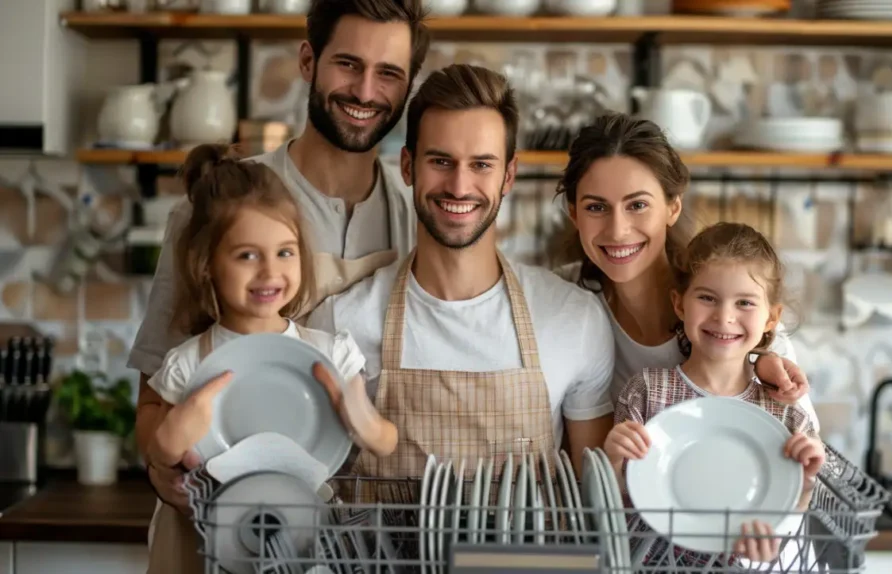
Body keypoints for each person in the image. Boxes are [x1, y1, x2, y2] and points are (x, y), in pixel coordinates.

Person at [129, 0, 429, 478]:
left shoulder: (416, 224)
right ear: (308, 61)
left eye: (389, 73)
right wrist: (172, 484)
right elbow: (151, 408)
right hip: (214, 524)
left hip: (352, 531)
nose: (366, 91)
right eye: (348, 64)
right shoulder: (219, 203)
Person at [306, 63, 616, 488]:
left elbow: (595, 508)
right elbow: (307, 488)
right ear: (408, 166)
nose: (458, 186)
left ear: (508, 175)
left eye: (481, 165)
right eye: (441, 161)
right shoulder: (341, 325)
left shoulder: (572, 319)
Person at [140, 145, 398, 574]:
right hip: (209, 548)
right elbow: (160, 454)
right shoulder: (188, 363)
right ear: (206, 264)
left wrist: (364, 421)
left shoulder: (330, 352)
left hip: (309, 549)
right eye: (247, 255)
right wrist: (170, 439)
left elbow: (386, 441)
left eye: (285, 251)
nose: (269, 272)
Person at [553, 113, 818, 426]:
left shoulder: (741, 317)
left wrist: (758, 363)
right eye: (596, 207)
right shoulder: (561, 298)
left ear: (672, 207)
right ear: (574, 214)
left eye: (637, 205)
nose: (618, 230)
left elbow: (807, 453)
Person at [603, 221, 825, 568]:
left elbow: (792, 509)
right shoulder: (646, 391)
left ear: (772, 317)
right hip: (647, 564)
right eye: (707, 298)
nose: (724, 317)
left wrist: (808, 480)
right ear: (679, 304)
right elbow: (619, 497)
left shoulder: (786, 415)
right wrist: (614, 460)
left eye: (745, 303)